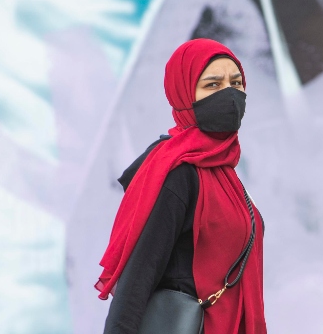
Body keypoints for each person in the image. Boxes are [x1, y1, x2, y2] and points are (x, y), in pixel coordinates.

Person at [94, 38, 266, 334]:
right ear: (184, 94)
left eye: (236, 83)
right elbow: (138, 277)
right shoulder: (178, 171)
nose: (230, 94)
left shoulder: (225, 173)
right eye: (213, 85)